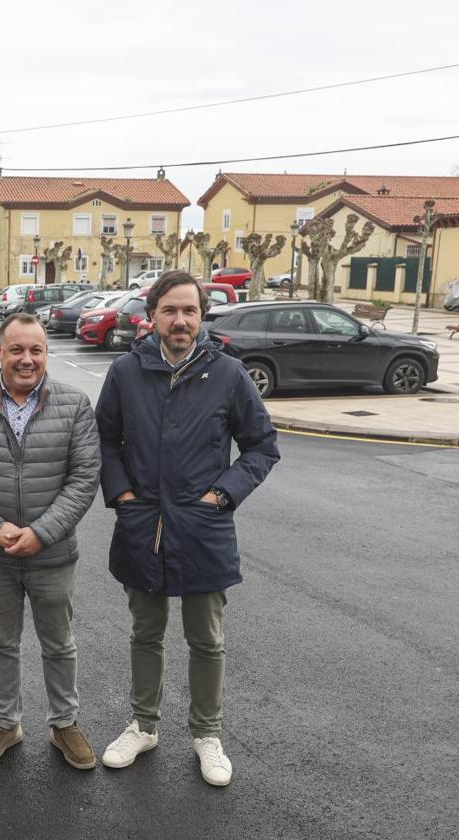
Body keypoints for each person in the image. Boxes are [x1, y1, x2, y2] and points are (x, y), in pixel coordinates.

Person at [95, 270, 279, 787]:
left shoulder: (228, 374)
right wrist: (124, 496)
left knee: (206, 638)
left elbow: (262, 447)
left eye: (190, 311)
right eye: (170, 311)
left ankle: (206, 734)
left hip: (204, 527)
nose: (180, 321)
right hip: (143, 524)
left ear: (202, 316)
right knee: (145, 632)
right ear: (151, 316)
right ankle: (144, 725)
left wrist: (222, 495)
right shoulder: (125, 373)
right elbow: (105, 440)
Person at [0, 312, 101, 770]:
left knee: (59, 644)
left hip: (53, 553)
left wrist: (43, 532)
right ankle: (6, 723)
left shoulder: (74, 404)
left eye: (36, 350)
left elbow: (85, 477)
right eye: (17, 349)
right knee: (2, 643)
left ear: (46, 353)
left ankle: (64, 724)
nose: (27, 359)